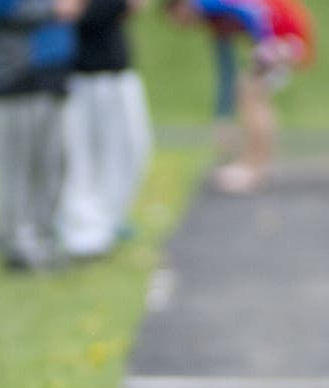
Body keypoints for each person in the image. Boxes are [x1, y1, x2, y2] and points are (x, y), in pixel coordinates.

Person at [0, 0, 86, 270]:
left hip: (53, 78)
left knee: (52, 165)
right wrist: (54, 9)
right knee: (18, 168)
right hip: (18, 78)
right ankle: (17, 245)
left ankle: (45, 239)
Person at [166, 0, 315, 193]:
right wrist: (222, 117)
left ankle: (254, 167)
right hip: (284, 34)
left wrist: (265, 46)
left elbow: (252, 11)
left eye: (178, 19)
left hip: (284, 33)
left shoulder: (207, 4)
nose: (182, 25)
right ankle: (258, 164)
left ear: (181, 6)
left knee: (252, 95)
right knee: (251, 93)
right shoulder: (212, 20)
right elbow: (225, 67)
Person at [58, 0, 153, 259]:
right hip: (80, 74)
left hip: (115, 71)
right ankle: (82, 230)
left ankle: (107, 221)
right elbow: (69, 12)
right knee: (80, 158)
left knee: (130, 149)